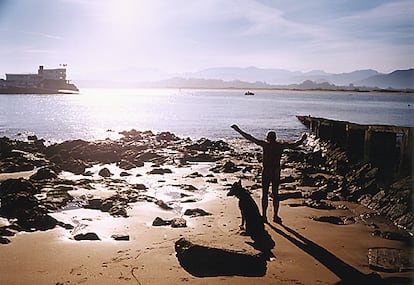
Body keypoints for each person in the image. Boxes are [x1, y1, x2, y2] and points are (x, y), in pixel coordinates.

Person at [231, 124, 307, 223]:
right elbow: (295, 144)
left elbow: (250, 138)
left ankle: (264, 216)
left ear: (267, 138)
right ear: (275, 138)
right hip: (275, 172)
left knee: (265, 194)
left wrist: (238, 130)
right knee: (275, 194)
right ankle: (275, 216)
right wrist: (303, 139)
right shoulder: (280, 145)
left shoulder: (265, 145)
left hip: (266, 171)